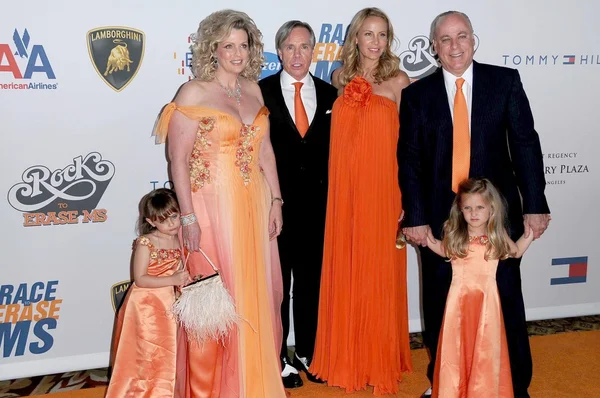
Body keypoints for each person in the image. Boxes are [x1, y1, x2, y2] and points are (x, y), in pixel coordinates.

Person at [398, 10, 551, 398]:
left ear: (474, 40)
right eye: (445, 39)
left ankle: (515, 384)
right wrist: (415, 217)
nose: (454, 46)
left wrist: (535, 203)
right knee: (439, 302)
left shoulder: (504, 82)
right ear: (434, 47)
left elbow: (526, 145)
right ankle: (445, 382)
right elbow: (410, 160)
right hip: (438, 217)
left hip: (497, 218)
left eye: (461, 36)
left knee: (505, 299)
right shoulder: (417, 95)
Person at [152, 9, 286, 397]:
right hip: (210, 209)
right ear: (213, 48)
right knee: (215, 302)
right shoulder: (194, 92)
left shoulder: (255, 90)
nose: (237, 52)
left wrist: (276, 199)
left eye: (243, 45)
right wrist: (189, 215)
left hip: (255, 205)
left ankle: (253, 383)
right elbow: (177, 159)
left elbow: (266, 152)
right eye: (228, 45)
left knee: (260, 294)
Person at [310, 7, 413, 394]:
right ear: (355, 37)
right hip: (344, 193)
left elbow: (410, 145)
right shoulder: (337, 78)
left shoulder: (400, 80)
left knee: (378, 270)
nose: (375, 42)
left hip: (384, 190)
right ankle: (345, 355)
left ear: (389, 40)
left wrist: (406, 194)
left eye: (382, 35)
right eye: (368, 34)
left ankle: (378, 358)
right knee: (347, 266)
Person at [259, 20, 338, 389]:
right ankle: (276, 357)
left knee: (311, 283)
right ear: (279, 52)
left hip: (320, 209)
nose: (297, 54)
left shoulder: (330, 94)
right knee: (277, 286)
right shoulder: (258, 94)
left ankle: (308, 350)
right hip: (273, 207)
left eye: (304, 47)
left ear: (314, 51)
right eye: (290, 47)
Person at [426, 178, 534, 398]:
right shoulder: (456, 233)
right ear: (460, 210)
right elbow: (443, 250)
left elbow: (515, 252)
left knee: (485, 348)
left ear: (491, 208)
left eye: (479, 207)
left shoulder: (498, 234)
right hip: (459, 302)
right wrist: (423, 235)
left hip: (487, 302)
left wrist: (529, 234)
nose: (473, 213)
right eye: (467, 208)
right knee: (458, 348)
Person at [106, 188, 190, 397]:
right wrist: (172, 280)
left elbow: (179, 270)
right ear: (151, 222)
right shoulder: (146, 242)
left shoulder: (179, 239)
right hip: (146, 306)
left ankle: (164, 391)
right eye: (163, 220)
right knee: (145, 352)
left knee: (168, 351)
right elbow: (140, 279)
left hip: (169, 304)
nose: (171, 223)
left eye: (174, 216)